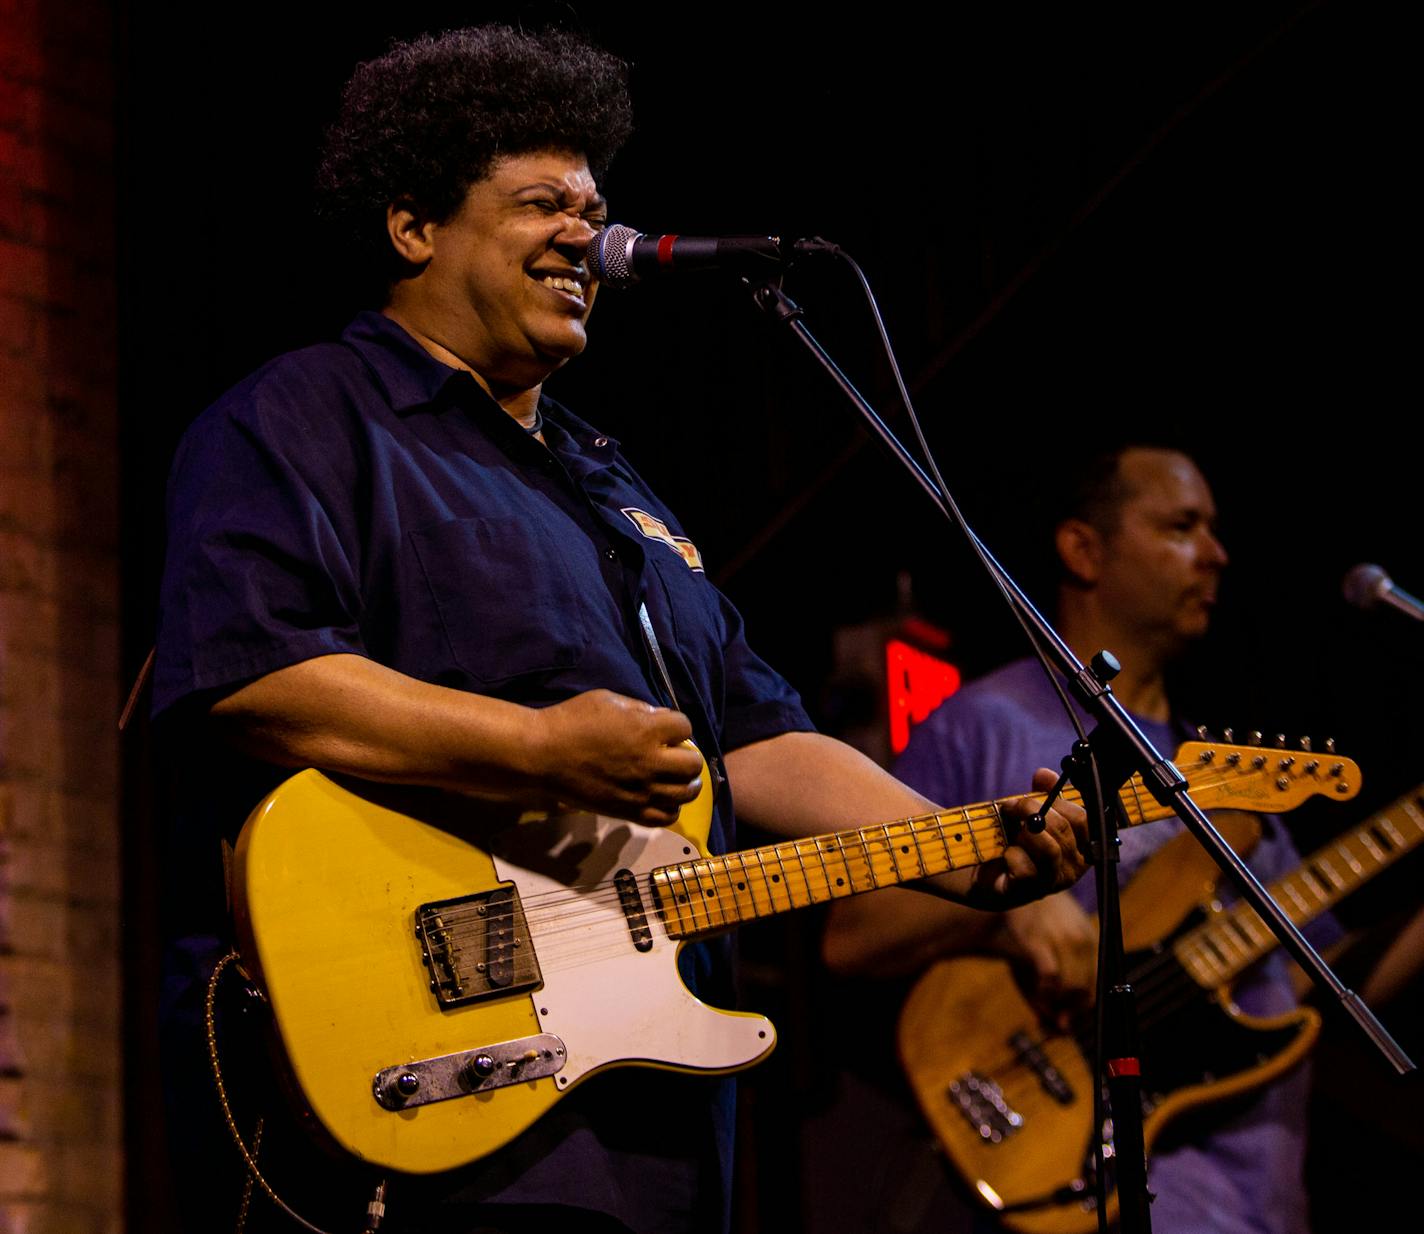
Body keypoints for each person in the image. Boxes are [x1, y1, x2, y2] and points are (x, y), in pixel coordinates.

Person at [152, 26, 1088, 1234]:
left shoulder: (616, 485)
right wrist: (536, 750)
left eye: (594, 207)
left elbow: (747, 737)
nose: (585, 237)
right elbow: (250, 674)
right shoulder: (302, 420)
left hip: (646, 1105)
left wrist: (951, 848)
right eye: (541, 202)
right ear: (412, 226)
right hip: (416, 1082)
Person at [823, 444, 1333, 1233]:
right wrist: (1009, 912)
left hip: (1262, 1201)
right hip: (1072, 1182)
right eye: (1181, 526)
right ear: (1084, 551)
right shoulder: (989, 723)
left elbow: (1307, 979)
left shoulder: (1228, 777)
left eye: (1213, 528)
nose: (1216, 553)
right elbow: (850, 935)